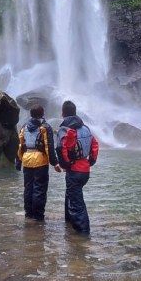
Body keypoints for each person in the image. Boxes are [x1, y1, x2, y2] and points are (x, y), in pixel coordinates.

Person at [57, 100, 99, 235]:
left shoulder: (66, 130)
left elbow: (61, 148)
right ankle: (69, 222)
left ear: (63, 114)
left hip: (74, 170)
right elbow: (94, 145)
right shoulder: (86, 128)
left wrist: (66, 164)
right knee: (72, 195)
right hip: (85, 169)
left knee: (76, 203)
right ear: (75, 113)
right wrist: (91, 161)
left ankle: (83, 233)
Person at [15, 105, 61, 221]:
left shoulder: (24, 127)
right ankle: (38, 216)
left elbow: (20, 145)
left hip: (27, 160)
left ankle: (28, 214)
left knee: (28, 188)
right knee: (39, 189)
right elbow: (49, 147)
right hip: (40, 161)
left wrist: (18, 162)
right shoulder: (45, 127)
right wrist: (55, 163)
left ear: (31, 114)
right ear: (42, 113)